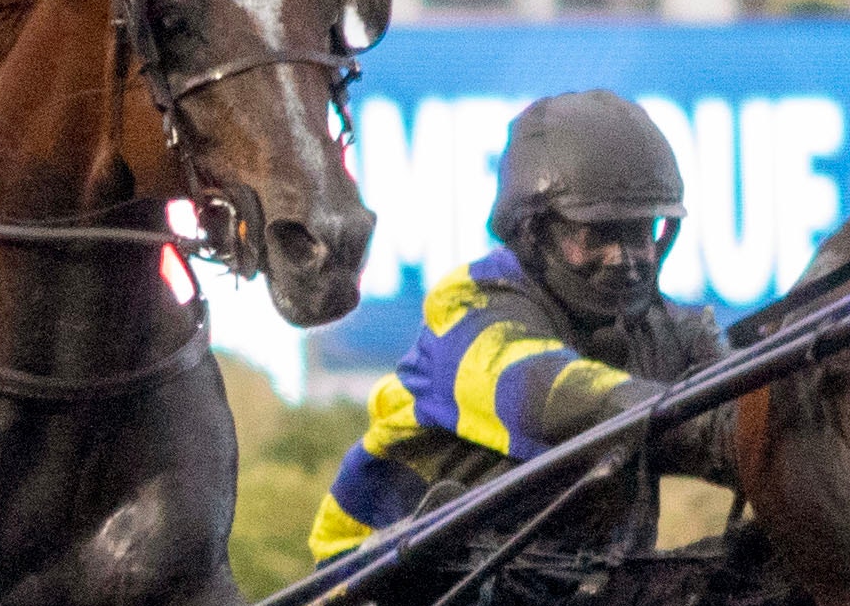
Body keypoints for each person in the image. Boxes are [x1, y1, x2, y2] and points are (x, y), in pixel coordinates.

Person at [313, 89, 731, 566]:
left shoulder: (665, 329)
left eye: (638, 233)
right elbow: (550, 403)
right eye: (596, 235)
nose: (626, 261)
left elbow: (746, 396)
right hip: (388, 581)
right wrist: (715, 428)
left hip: (565, 584)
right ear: (533, 232)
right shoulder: (468, 309)